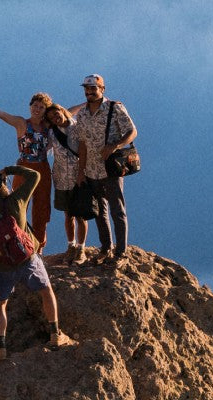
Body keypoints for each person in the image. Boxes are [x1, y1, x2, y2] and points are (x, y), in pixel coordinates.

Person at [0, 164, 72, 360]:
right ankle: (55, 335)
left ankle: (1, 347)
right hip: (28, 259)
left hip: (3, 267)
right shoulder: (16, 201)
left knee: (0, 304)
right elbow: (35, 176)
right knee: (46, 291)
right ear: (3, 187)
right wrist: (9, 170)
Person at [0, 93, 54, 253]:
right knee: (16, 206)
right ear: (30, 106)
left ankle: (38, 248)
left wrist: (87, 103)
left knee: (42, 208)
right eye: (35, 105)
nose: (37, 109)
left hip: (43, 168)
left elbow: (67, 113)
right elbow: (1, 114)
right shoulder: (22, 123)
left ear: (45, 110)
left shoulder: (48, 125)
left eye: (41, 107)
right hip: (24, 167)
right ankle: (18, 244)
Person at [74, 74, 138, 266]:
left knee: (117, 210)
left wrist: (115, 146)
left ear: (102, 89)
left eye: (93, 88)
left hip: (111, 167)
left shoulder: (114, 107)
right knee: (99, 211)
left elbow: (132, 131)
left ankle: (121, 253)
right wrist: (81, 171)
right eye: (87, 88)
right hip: (92, 169)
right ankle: (105, 248)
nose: (89, 91)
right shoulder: (82, 114)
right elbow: (82, 144)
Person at [45, 103, 88, 265]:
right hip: (61, 178)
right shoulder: (52, 133)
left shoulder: (77, 127)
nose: (55, 118)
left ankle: (81, 248)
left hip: (79, 177)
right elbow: (45, 148)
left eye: (56, 114)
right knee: (68, 214)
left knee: (80, 215)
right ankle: (71, 246)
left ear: (62, 111)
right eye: (51, 118)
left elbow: (85, 149)